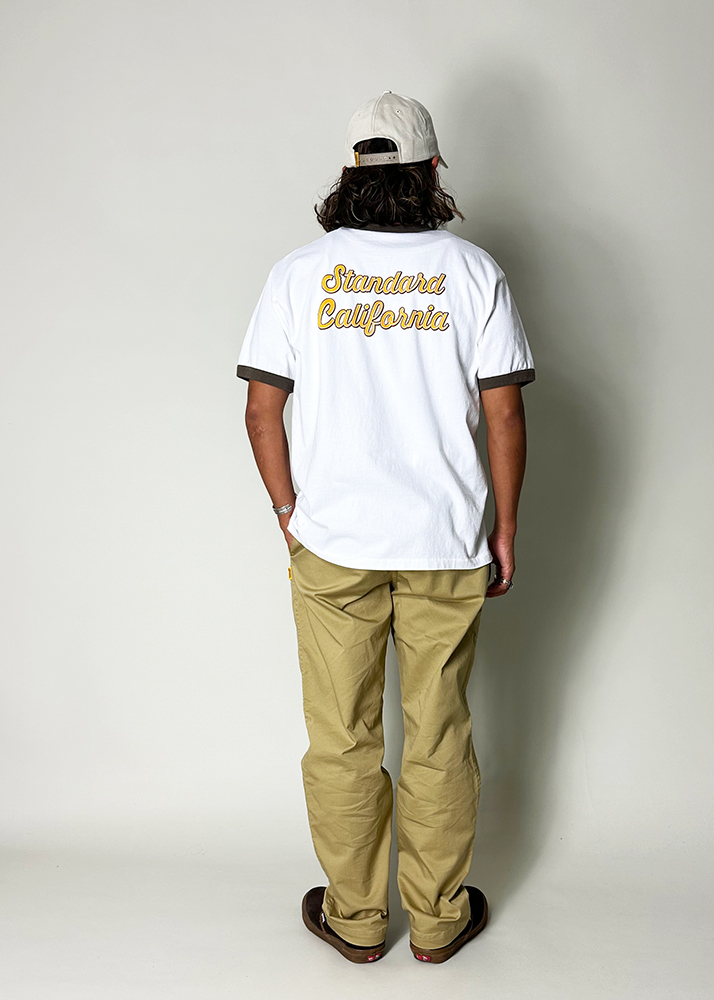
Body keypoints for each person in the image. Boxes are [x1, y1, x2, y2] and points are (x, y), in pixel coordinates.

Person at [236, 91, 535, 964]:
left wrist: (289, 513)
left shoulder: (299, 274)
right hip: (445, 542)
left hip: (333, 544)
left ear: (349, 173)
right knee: (438, 736)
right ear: (432, 169)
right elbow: (505, 415)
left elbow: (261, 411)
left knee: (341, 738)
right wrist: (504, 528)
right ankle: (438, 922)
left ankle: (356, 920)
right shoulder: (473, 271)